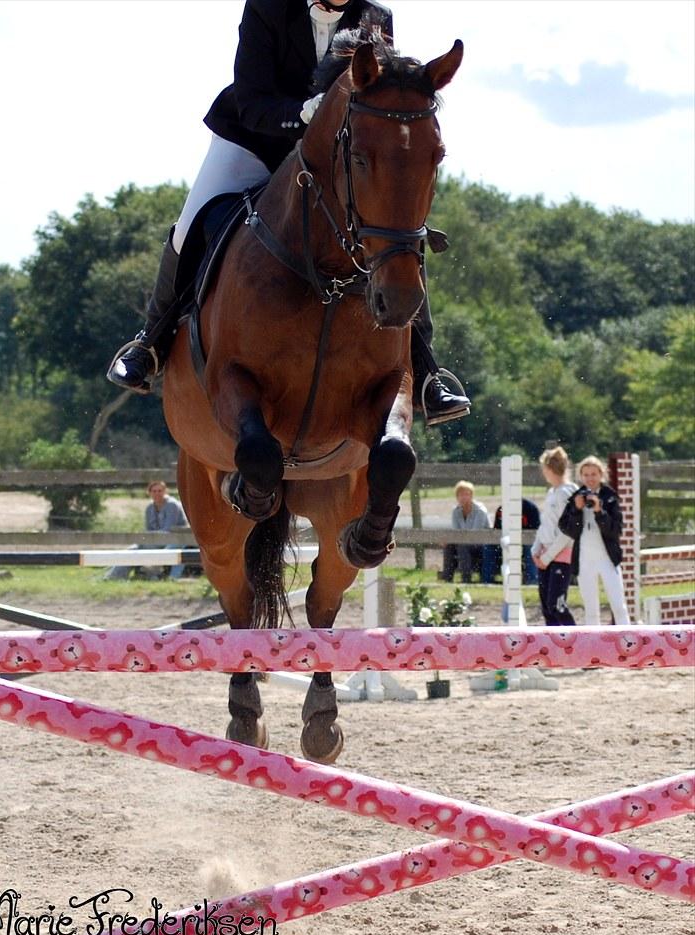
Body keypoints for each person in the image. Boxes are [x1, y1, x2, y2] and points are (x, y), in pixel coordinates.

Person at [106, 0, 470, 427]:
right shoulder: (267, 7)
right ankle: (150, 341)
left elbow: (378, 95)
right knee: (191, 224)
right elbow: (251, 99)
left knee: (398, 232)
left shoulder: (376, 16)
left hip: (334, 151)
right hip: (256, 138)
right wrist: (302, 114)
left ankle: (425, 369)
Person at [558, 455, 630, 625]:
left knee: (618, 606)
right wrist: (576, 509)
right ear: (581, 476)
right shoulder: (576, 497)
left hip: (607, 558)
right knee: (591, 609)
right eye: (586, 474)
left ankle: (629, 643)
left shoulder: (610, 497)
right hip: (584, 558)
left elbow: (615, 530)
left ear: (601, 474)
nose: (590, 478)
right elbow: (566, 528)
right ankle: (593, 647)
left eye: (594, 474)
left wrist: (599, 511)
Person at [105, 481, 189, 581]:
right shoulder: (149, 508)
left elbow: (168, 530)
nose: (157, 493)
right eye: (154, 491)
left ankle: (154, 576)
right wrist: (146, 539)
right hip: (156, 540)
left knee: (146, 548)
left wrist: (148, 538)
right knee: (132, 550)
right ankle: (114, 576)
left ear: (165, 491)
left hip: (176, 540)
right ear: (149, 493)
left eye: (160, 491)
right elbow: (148, 529)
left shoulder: (172, 505)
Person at [530, 446, 577, 625]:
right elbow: (546, 525)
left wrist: (548, 557)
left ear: (549, 469)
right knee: (547, 607)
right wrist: (536, 549)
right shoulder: (552, 492)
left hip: (560, 554)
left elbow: (567, 531)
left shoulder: (566, 493)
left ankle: (576, 640)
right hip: (546, 554)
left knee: (557, 605)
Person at [439, 480, 491, 583]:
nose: (464, 497)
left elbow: (475, 534)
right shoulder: (456, 511)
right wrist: (449, 540)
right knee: (449, 546)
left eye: (467, 494)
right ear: (457, 497)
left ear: (471, 496)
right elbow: (456, 532)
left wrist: (458, 539)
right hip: (464, 542)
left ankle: (466, 579)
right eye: (461, 494)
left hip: (481, 544)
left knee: (462, 546)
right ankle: (447, 579)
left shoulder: (480, 510)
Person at [490, 498, 541, 584]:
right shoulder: (501, 509)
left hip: (526, 543)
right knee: (489, 547)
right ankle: (487, 580)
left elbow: (535, 531)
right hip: (506, 541)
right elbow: (496, 531)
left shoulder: (530, 508)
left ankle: (532, 581)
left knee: (530, 549)